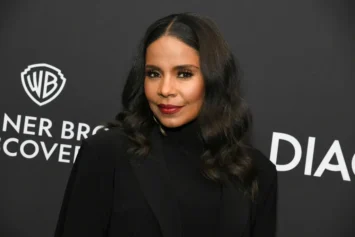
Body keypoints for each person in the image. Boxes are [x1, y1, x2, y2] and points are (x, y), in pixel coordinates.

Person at [54, 12, 277, 237]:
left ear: (214, 78)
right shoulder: (106, 153)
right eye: (153, 73)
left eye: (183, 74)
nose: (165, 89)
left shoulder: (256, 172)